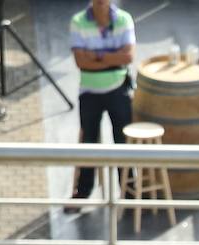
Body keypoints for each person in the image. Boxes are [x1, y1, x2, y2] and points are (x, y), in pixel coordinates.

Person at [69, 0, 136, 207]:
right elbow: (81, 62)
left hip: (118, 90)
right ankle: (83, 191)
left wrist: (96, 56)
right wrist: (113, 58)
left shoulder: (124, 20)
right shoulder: (78, 22)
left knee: (122, 141)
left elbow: (128, 56)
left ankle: (129, 191)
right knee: (89, 142)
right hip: (89, 92)